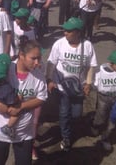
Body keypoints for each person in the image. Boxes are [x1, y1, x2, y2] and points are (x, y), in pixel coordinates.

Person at [0, 38, 47, 165]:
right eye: (33, 58)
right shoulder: (4, 68)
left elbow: (42, 97)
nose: (37, 63)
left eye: (39, 58)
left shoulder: (38, 76)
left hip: (24, 132)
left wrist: (21, 106)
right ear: (21, 55)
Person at [46, 17, 98, 152]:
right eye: (65, 30)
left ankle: (71, 125)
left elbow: (91, 66)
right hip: (62, 87)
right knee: (64, 113)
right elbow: (51, 63)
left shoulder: (87, 46)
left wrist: (88, 83)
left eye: (69, 31)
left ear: (78, 32)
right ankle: (66, 137)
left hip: (78, 88)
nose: (65, 33)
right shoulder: (59, 44)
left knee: (76, 114)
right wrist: (49, 79)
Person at [90, 50, 116, 151]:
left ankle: (105, 138)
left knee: (112, 122)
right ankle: (95, 126)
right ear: (111, 64)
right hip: (103, 98)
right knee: (101, 117)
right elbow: (95, 85)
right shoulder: (101, 71)